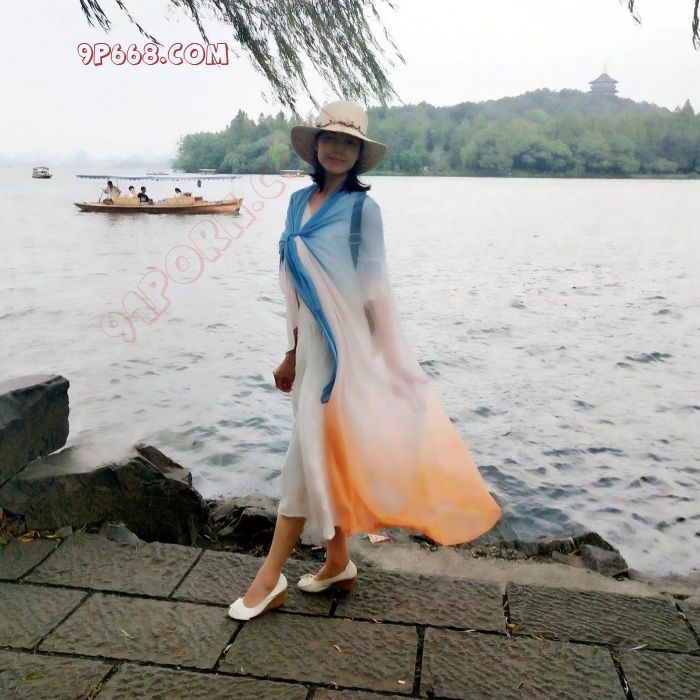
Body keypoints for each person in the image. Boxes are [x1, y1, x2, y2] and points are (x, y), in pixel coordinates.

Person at [227, 100, 502, 621]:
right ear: (315, 145)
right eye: (330, 138)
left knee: (302, 457)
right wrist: (290, 353)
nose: (338, 148)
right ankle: (337, 562)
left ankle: (269, 577)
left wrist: (394, 366)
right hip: (309, 347)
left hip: (344, 353)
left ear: (358, 154)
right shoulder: (296, 203)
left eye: (349, 142)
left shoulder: (362, 211)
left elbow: (376, 292)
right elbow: (293, 287)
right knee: (322, 452)